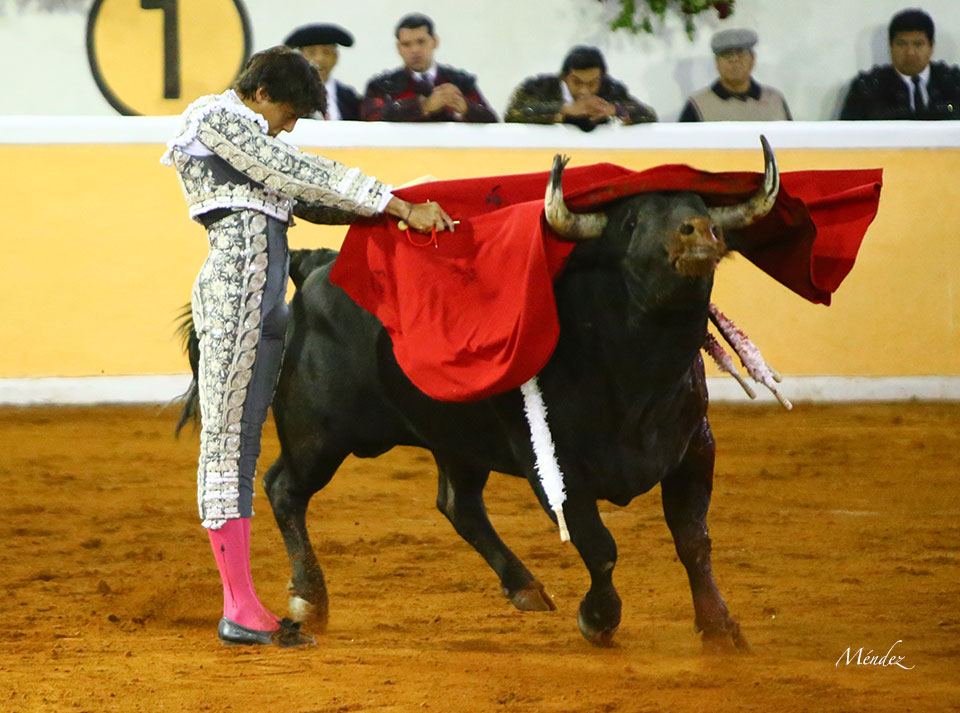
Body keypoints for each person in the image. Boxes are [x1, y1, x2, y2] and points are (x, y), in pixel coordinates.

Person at [161, 46, 453, 647]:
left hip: (267, 308)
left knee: (242, 448)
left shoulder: (256, 143)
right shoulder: (211, 120)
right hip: (231, 301)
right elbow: (296, 173)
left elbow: (312, 198)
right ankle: (238, 607)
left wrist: (397, 208)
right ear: (261, 92)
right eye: (289, 112)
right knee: (226, 449)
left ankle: (241, 604)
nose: (290, 126)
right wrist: (393, 201)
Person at [361, 13, 497, 122]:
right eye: (407, 44)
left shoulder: (460, 82)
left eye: (421, 42)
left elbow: (491, 122)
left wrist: (466, 107)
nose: (414, 50)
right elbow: (372, 117)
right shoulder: (382, 86)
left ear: (435, 42)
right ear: (398, 48)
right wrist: (423, 106)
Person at [839, 8, 960, 120]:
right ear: (891, 46)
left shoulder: (954, 83)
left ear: (931, 46)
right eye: (902, 44)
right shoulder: (867, 88)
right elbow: (845, 136)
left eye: (918, 44)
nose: (910, 53)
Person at [504, 45, 657, 131]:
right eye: (577, 82)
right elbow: (512, 113)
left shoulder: (610, 90)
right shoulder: (541, 87)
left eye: (592, 83)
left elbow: (648, 114)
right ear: (564, 77)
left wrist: (615, 110)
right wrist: (564, 109)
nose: (585, 90)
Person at [679, 28, 792, 122]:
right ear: (717, 63)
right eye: (727, 55)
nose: (734, 61)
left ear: (753, 59)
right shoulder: (698, 105)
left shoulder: (775, 100)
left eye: (741, 54)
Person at [283, 23, 361, 120]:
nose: (319, 59)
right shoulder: (288, 95)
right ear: (300, 57)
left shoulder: (349, 97)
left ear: (336, 57)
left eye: (326, 52)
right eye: (311, 53)